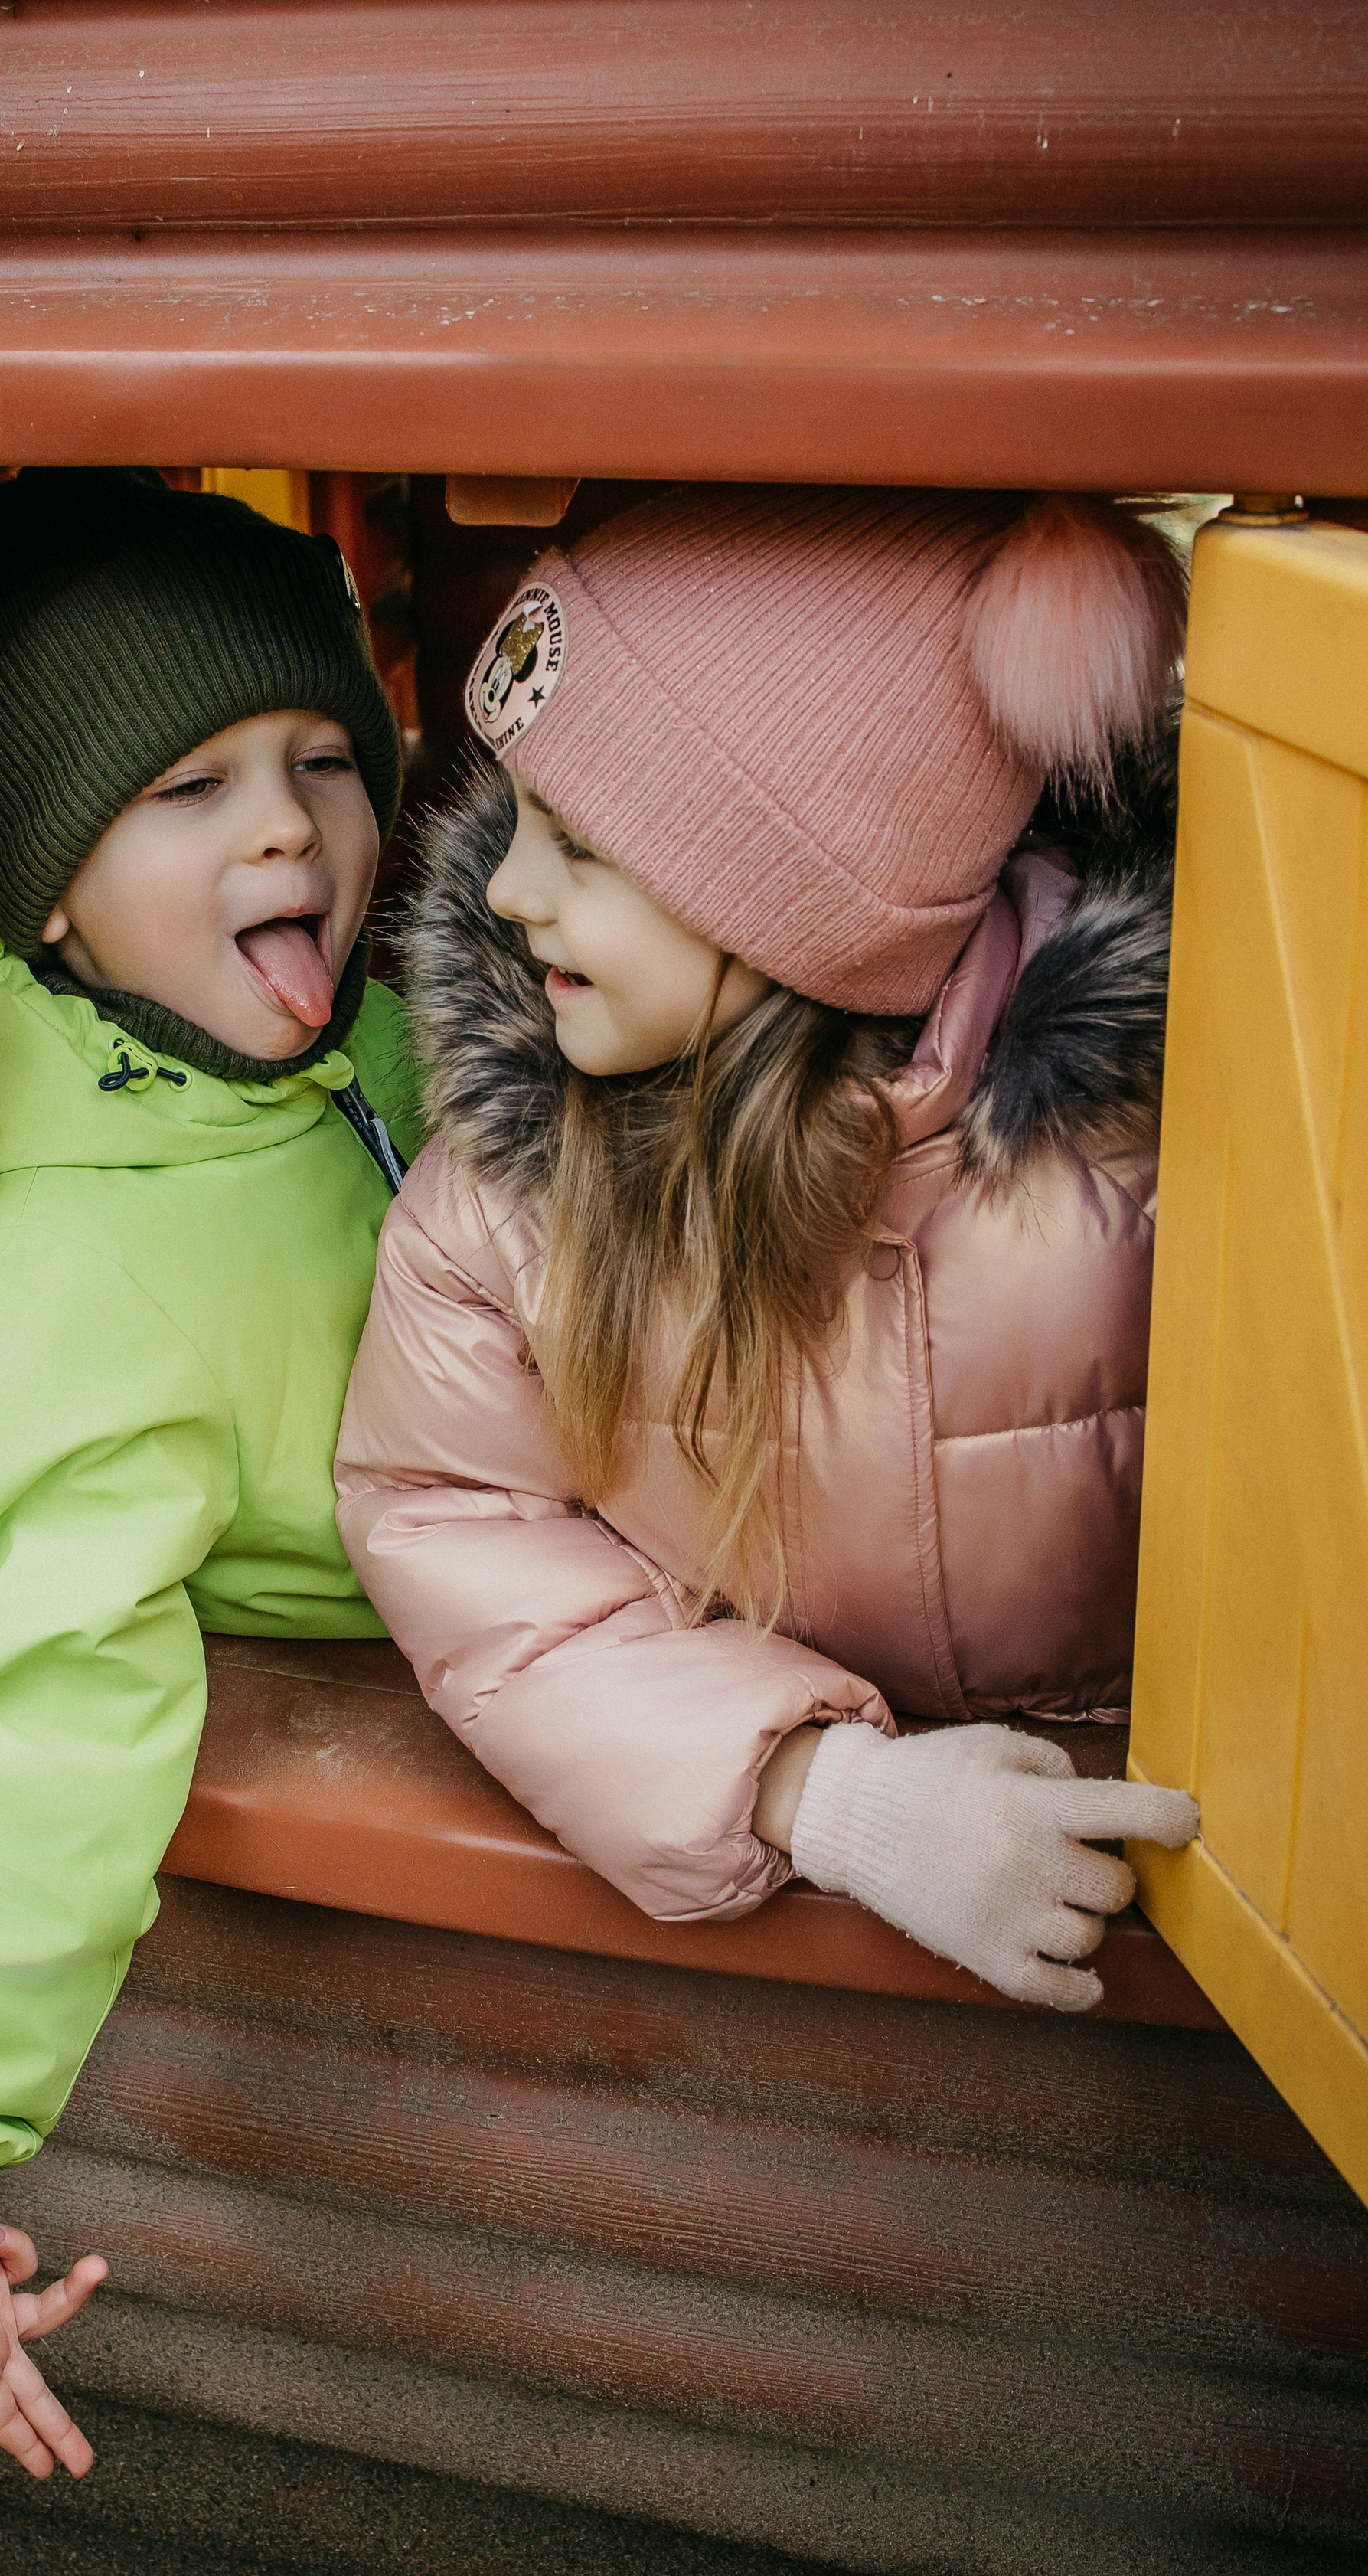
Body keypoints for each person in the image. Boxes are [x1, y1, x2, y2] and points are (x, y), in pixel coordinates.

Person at [335, 484, 1200, 2014]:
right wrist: (825, 1790)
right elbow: (453, 1524)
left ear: (804, 892)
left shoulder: (1152, 1142)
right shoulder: (503, 1197)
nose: (505, 889)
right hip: (764, 1932)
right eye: (521, 818)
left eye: (581, 845)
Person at [0, 469, 422, 2480]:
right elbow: (30, 1693)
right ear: (49, 889)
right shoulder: (84, 1262)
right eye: (190, 787)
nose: (284, 822)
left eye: (325, 756)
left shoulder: (360, 1043)